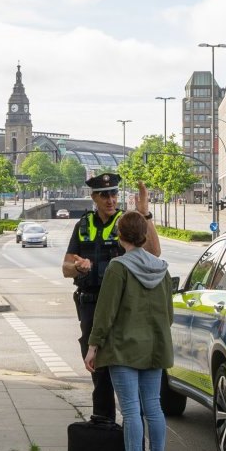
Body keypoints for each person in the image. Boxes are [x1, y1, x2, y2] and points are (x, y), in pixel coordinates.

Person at [83, 210, 172, 451]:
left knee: (131, 410)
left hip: (123, 348)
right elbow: (168, 314)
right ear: (145, 236)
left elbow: (105, 312)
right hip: (155, 346)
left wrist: (93, 346)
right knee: (153, 407)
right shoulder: (162, 268)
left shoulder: (118, 268)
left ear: (120, 237)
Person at [61, 172, 160, 422]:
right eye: (104, 195)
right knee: (100, 376)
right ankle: (104, 435)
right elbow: (65, 268)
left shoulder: (126, 222)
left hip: (121, 308)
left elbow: (154, 253)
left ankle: (134, 446)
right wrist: (79, 266)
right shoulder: (83, 225)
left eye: (114, 193)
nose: (110, 199)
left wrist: (145, 213)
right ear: (94, 197)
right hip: (91, 306)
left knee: (127, 377)